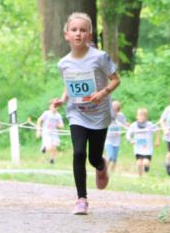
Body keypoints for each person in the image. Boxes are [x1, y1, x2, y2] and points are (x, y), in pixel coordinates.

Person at [51, 13, 119, 214]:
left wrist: (102, 93)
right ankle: (81, 199)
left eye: (83, 30)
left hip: (99, 114)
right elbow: (69, 83)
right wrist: (62, 99)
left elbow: (116, 80)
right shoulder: (63, 63)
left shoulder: (99, 57)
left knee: (93, 157)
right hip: (77, 113)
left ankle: (101, 165)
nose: (78, 34)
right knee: (79, 152)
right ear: (66, 35)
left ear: (89, 34)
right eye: (74, 30)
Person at [126, 108, 158, 177]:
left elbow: (157, 130)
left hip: (147, 149)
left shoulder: (149, 125)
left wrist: (157, 140)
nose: (141, 117)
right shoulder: (134, 125)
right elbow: (128, 134)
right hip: (138, 149)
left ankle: (147, 166)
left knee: (145, 162)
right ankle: (140, 176)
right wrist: (131, 140)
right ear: (137, 116)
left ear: (146, 117)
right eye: (140, 115)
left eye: (143, 116)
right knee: (139, 163)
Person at [104, 100, 128, 172]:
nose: (114, 111)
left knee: (114, 159)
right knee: (110, 156)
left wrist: (129, 126)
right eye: (113, 109)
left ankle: (112, 172)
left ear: (118, 110)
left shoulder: (121, 116)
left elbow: (124, 124)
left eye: (116, 109)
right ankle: (104, 170)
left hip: (117, 140)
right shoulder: (107, 115)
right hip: (108, 139)